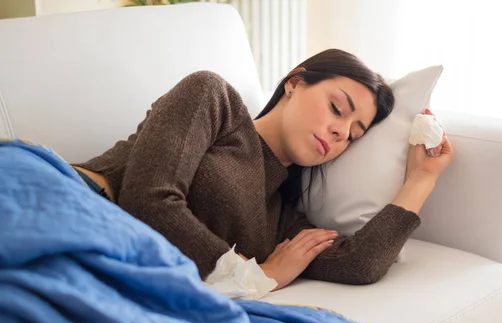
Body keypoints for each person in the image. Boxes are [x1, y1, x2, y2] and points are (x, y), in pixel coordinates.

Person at [72, 49, 454, 290]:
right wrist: (261, 277)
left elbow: (360, 264)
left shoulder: (282, 221)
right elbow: (149, 202)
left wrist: (422, 177)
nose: (340, 132)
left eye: (353, 136)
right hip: (66, 197)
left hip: (106, 267)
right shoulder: (213, 98)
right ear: (295, 82)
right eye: (338, 108)